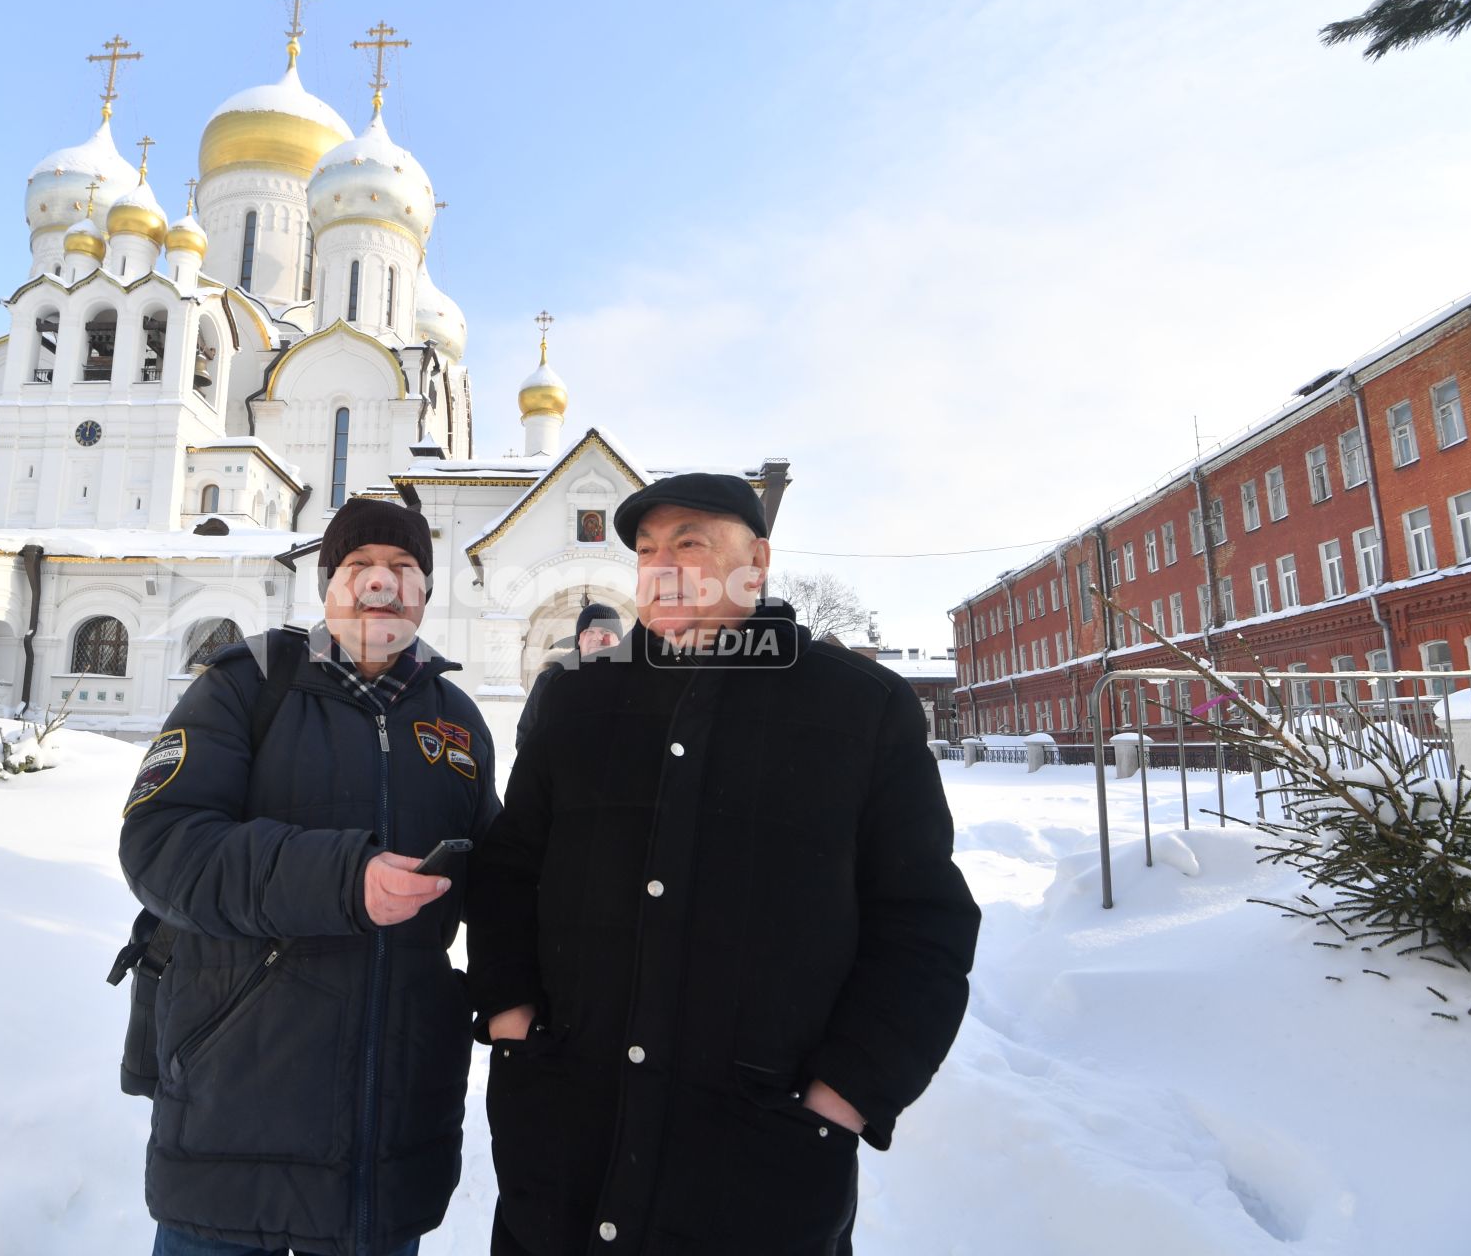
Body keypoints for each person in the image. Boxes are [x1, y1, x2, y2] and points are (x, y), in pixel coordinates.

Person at [467, 472, 980, 1255]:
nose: (661, 565)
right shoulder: (578, 703)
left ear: (758, 559)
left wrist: (841, 1101)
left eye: (689, 544)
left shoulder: (859, 710)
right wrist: (513, 1027)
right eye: (645, 550)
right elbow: (508, 874)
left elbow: (923, 926)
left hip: (758, 1171)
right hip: (566, 1149)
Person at [120, 497, 499, 1256]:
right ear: (327, 585)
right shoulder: (245, 687)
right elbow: (164, 846)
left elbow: (499, 880)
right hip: (236, 1111)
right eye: (359, 567)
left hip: (386, 1143)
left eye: (403, 569)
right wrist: (342, 879)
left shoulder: (456, 721)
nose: (381, 585)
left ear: (426, 591)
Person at [513, 602, 623, 750]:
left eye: (605, 631)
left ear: (619, 641)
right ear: (579, 639)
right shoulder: (550, 681)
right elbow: (526, 739)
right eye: (589, 631)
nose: (597, 637)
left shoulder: (636, 682)